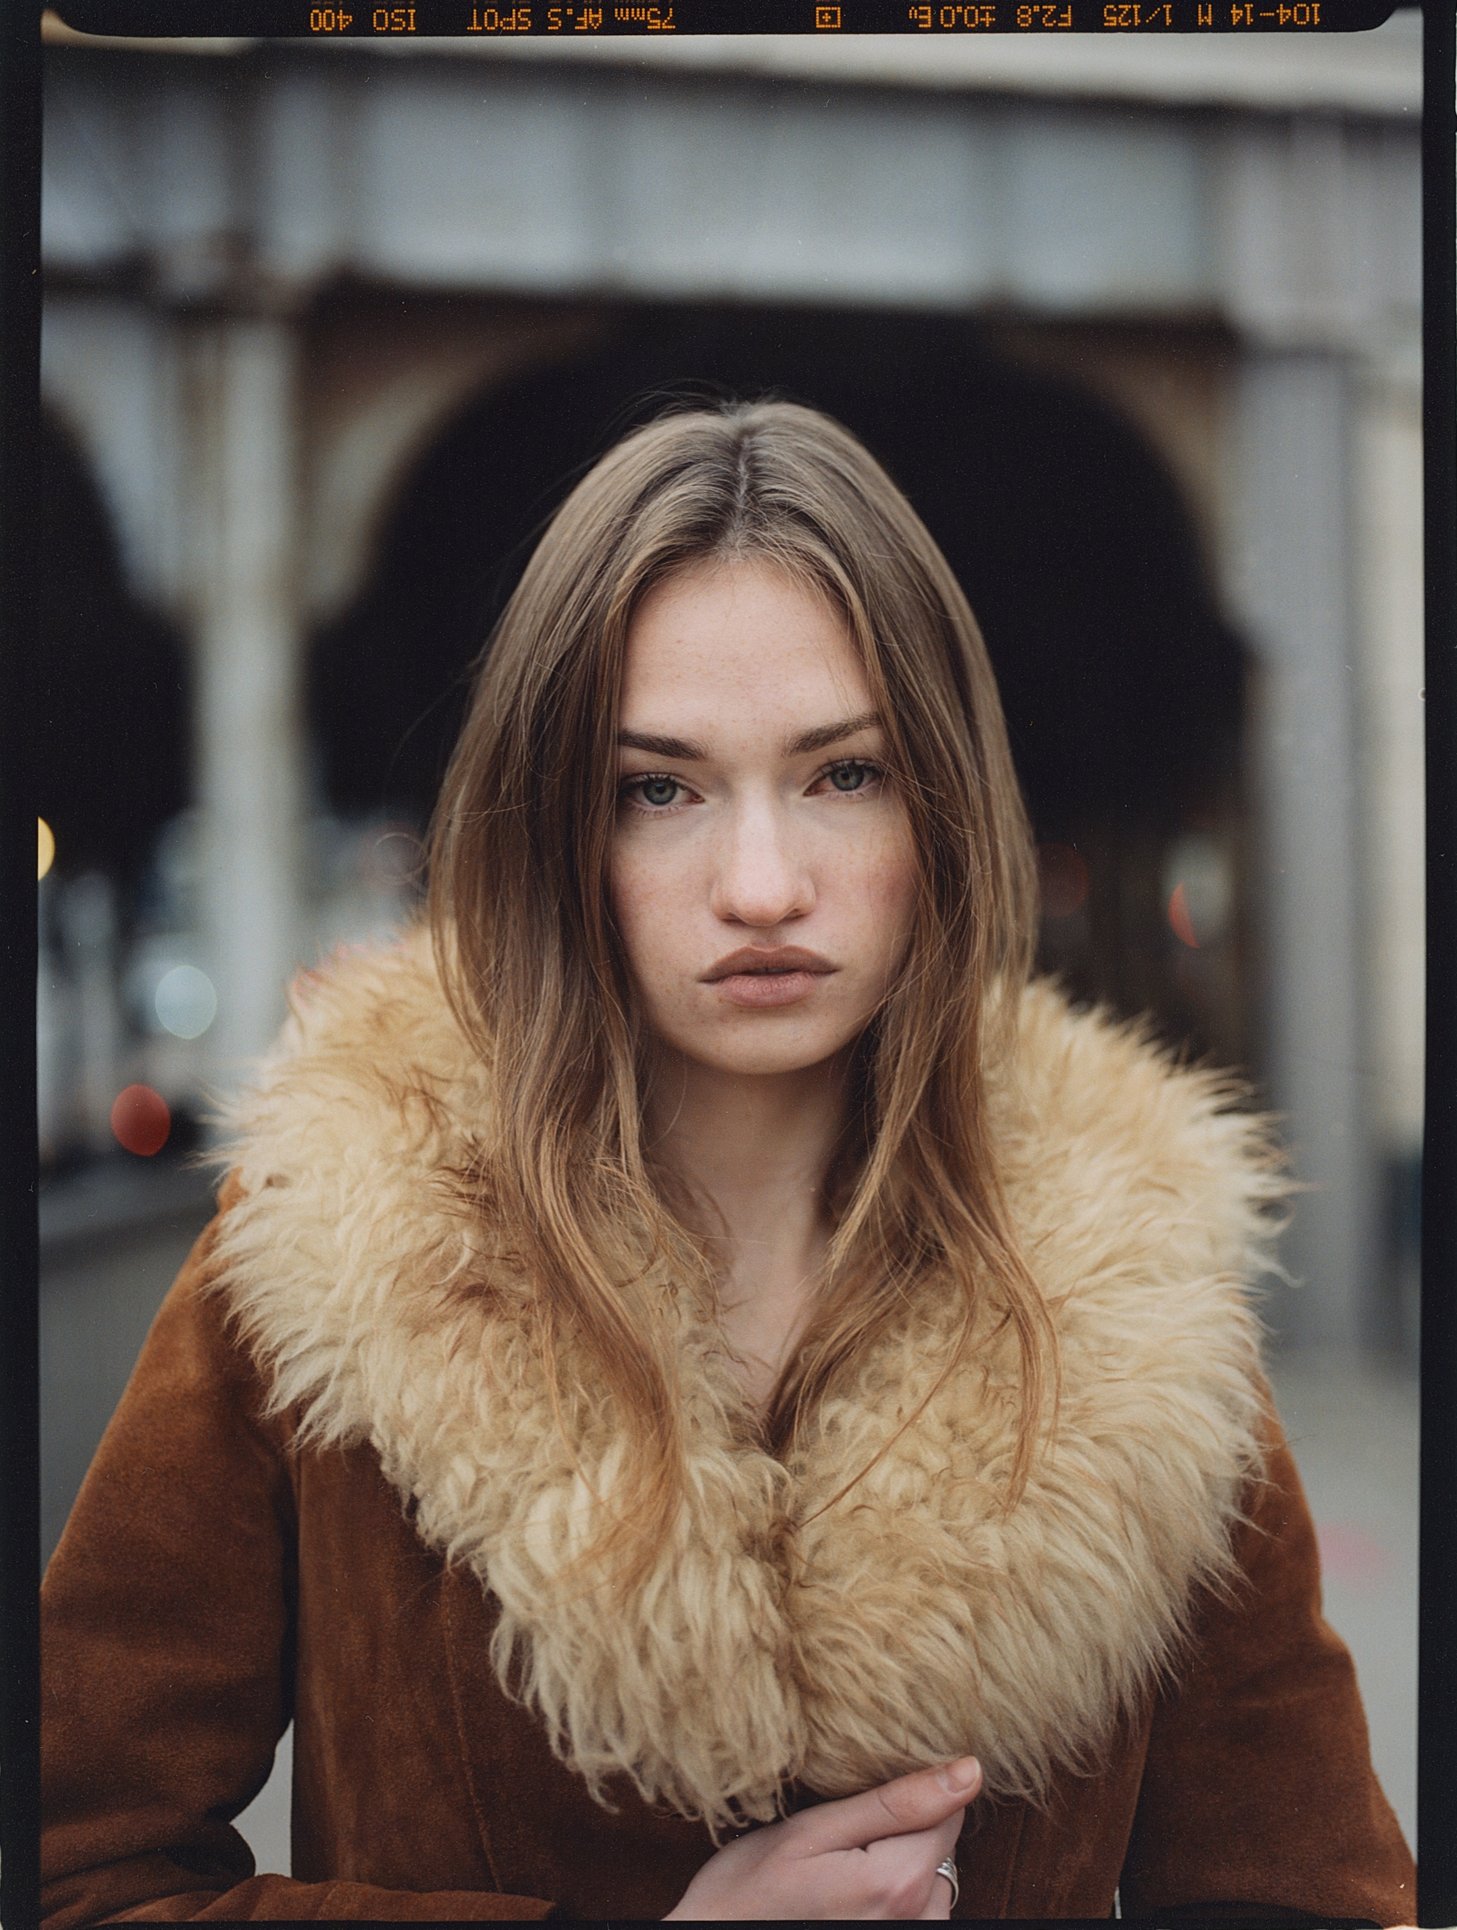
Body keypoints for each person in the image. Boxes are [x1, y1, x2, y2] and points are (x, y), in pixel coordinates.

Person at [42, 400, 1415, 1924]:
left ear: (942, 807)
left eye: (844, 774)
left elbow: (1312, 1897)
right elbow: (76, 1871)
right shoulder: (329, 1256)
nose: (761, 884)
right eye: (659, 788)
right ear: (560, 827)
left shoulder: (1126, 1294)